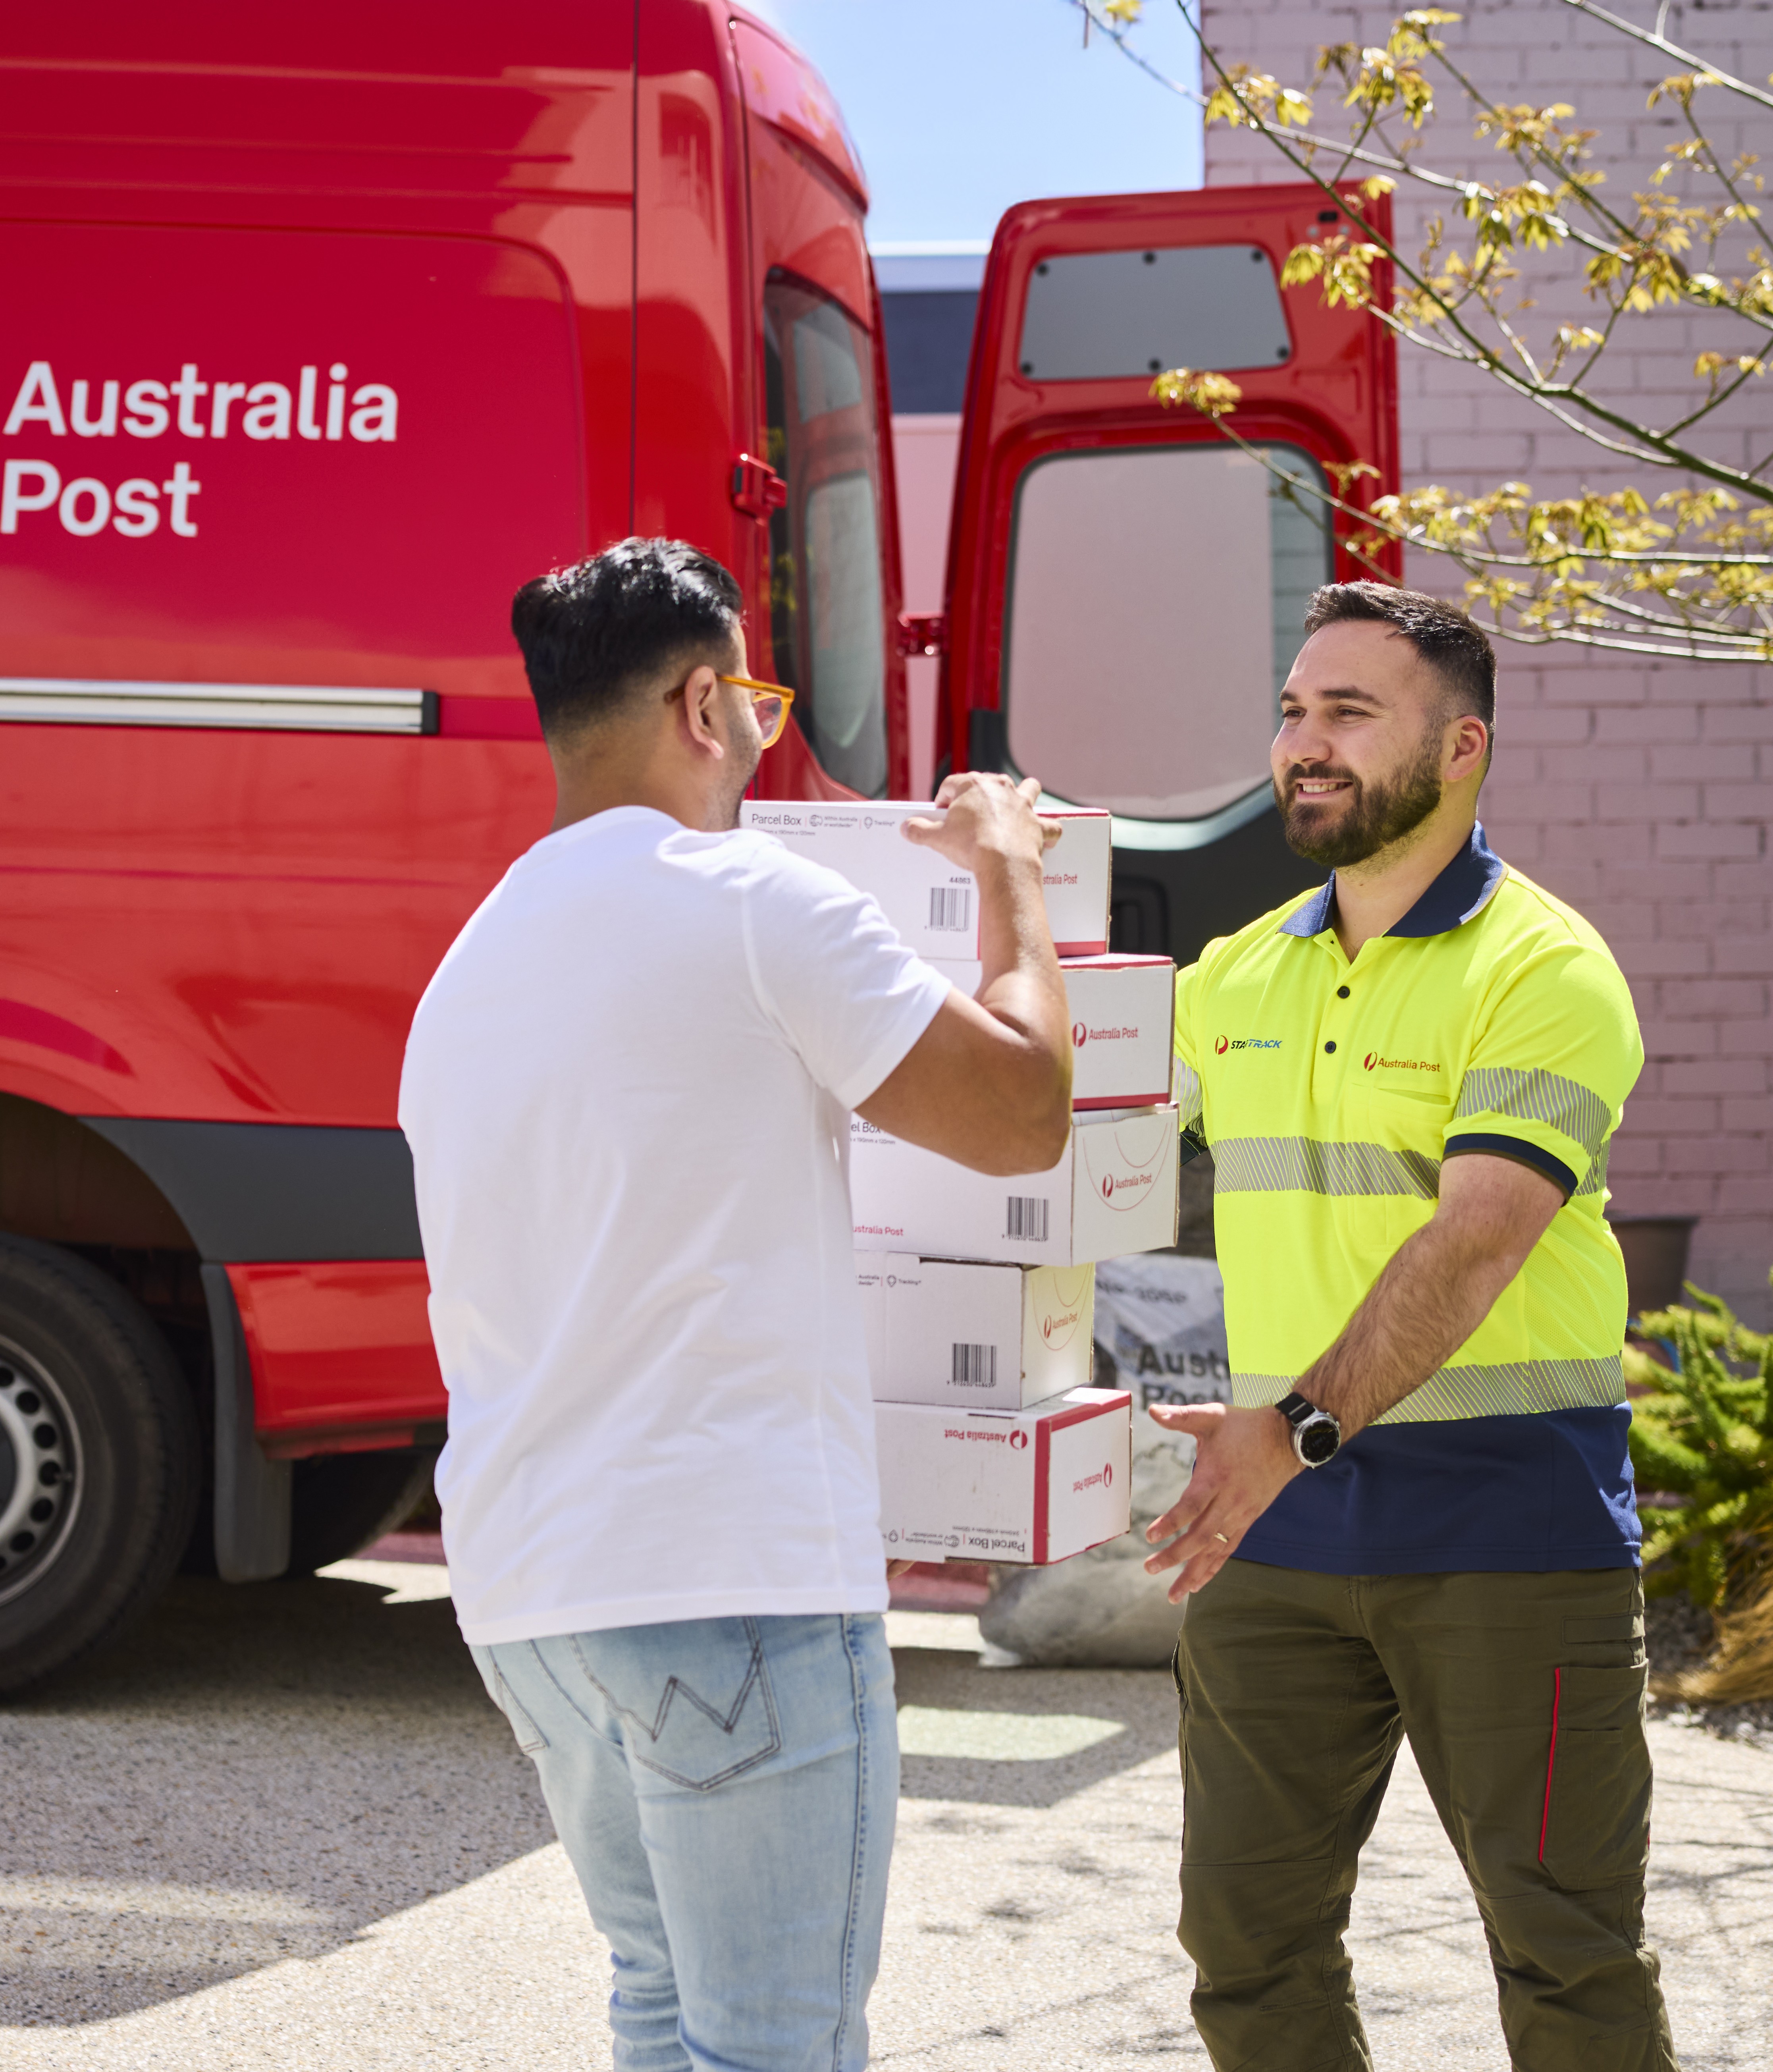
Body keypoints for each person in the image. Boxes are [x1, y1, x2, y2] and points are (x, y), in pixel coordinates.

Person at [398, 538, 1071, 2072]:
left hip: (533, 1591)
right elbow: (1024, 1112)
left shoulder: (472, 959)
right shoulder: (755, 902)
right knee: (775, 2044)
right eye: (758, 699)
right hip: (729, 1571)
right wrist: (1010, 871)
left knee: (662, 2003)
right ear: (704, 703)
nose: (762, 732)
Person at [1145, 580, 1675, 2070]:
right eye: (1293, 710)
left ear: (1460, 751)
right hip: (1277, 1541)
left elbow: (1477, 1236)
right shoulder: (1237, 972)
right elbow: (1061, 1143)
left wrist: (1292, 1430)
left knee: (1564, 1953)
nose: (1302, 744)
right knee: (1246, 1955)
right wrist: (999, 893)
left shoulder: (1543, 967)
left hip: (1507, 1538)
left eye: (1349, 713)